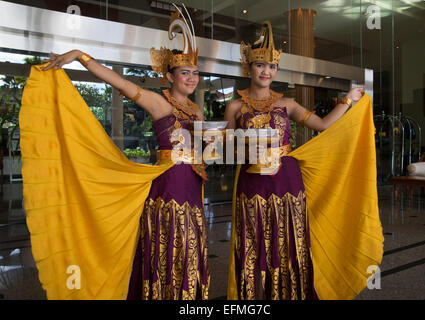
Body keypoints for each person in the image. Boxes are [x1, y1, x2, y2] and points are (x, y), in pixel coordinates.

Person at [20, 5, 209, 300]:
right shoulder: (159, 103)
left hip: (194, 185)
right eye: (185, 73)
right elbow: (118, 81)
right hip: (169, 183)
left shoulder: (196, 109)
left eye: (195, 73)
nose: (192, 78)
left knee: (191, 245)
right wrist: (80, 56)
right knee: (169, 243)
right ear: (170, 77)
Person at [225, 21, 384, 300]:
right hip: (252, 183)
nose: (266, 71)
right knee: (254, 242)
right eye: (260, 65)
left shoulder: (287, 104)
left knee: (288, 242)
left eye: (271, 66)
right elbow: (227, 146)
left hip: (287, 180)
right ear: (248, 68)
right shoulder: (235, 107)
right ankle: (254, 298)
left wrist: (347, 100)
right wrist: (242, 150)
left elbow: (322, 125)